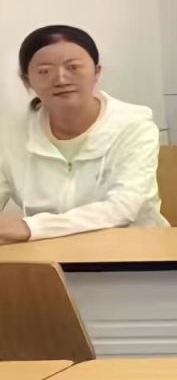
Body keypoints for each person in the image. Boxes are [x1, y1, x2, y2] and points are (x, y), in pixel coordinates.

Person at [0, 25, 164, 241]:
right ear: (27, 80)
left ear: (97, 72)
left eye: (73, 67)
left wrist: (30, 228)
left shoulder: (133, 125)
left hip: (134, 251)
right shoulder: (11, 135)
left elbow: (123, 207)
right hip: (47, 252)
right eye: (44, 71)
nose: (61, 79)